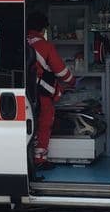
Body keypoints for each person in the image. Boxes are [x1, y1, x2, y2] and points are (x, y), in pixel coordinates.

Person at [26, 11, 76, 169]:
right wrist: (72, 81)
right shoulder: (44, 45)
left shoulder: (23, 42)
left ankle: (28, 157)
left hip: (25, 91)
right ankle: (40, 159)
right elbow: (61, 72)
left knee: (29, 124)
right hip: (42, 93)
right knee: (44, 123)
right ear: (42, 29)